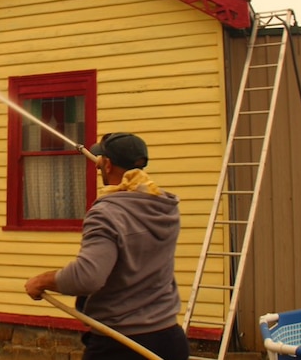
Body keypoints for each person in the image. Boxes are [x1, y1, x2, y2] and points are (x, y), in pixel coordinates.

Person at [24, 132, 190, 360]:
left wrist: (40, 281)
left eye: (102, 161)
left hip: (122, 345)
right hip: (170, 339)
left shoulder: (107, 214)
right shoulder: (164, 208)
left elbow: (87, 277)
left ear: (108, 164)